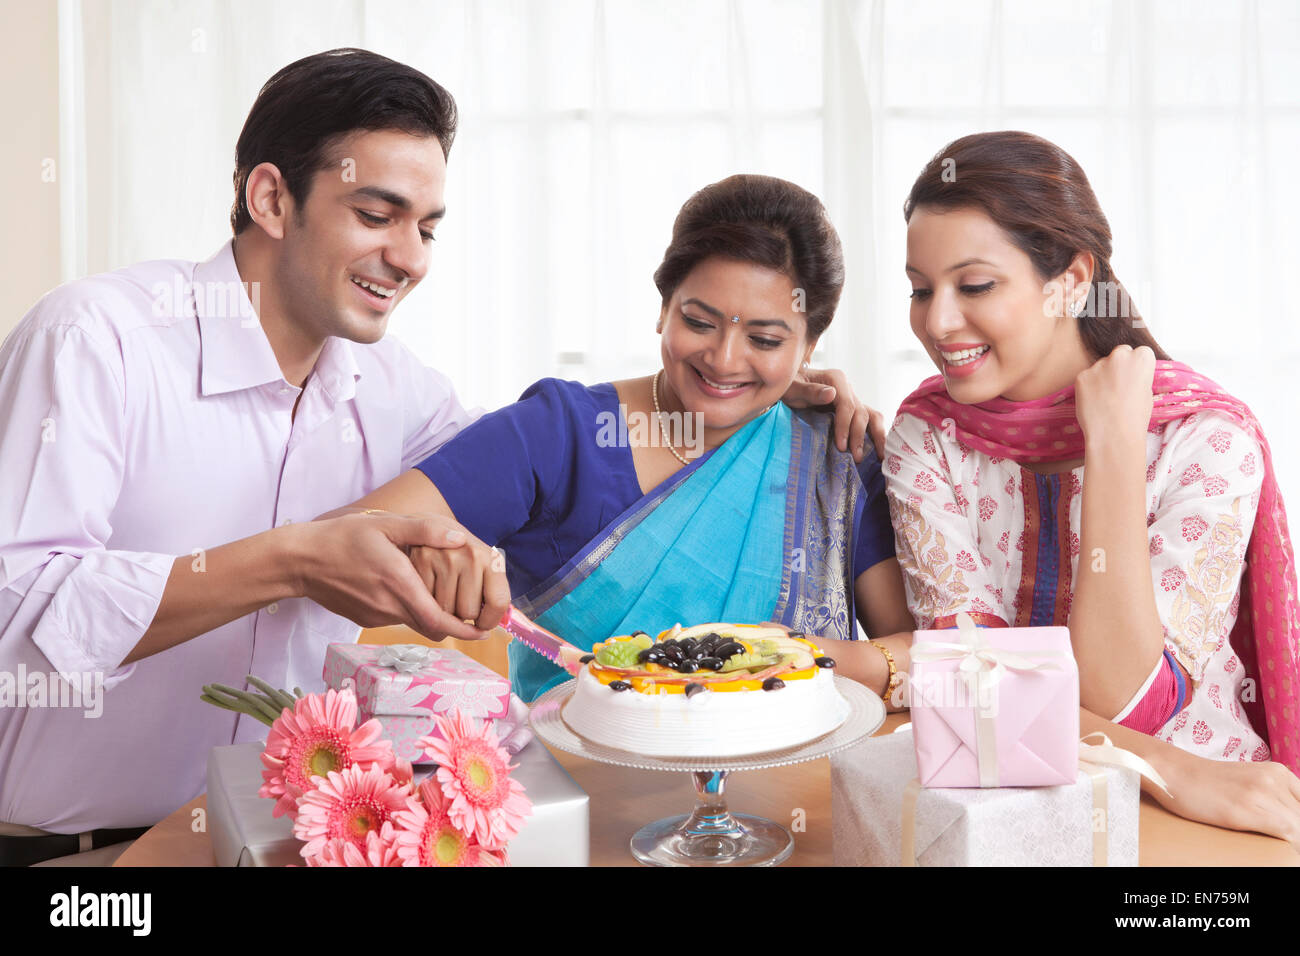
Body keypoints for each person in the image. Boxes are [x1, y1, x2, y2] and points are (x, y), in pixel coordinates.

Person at [0, 50, 875, 861]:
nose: (409, 257)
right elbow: (17, 616)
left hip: (285, 836)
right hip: (87, 853)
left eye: (427, 226)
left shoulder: (397, 391)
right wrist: (292, 559)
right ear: (270, 199)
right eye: (377, 215)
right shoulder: (97, 342)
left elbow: (557, 450)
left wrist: (756, 386)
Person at [343, 174, 915, 702]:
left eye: (766, 340)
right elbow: (344, 538)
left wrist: (798, 660)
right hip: (584, 798)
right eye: (698, 322)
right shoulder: (561, 433)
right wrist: (440, 552)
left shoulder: (834, 457)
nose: (724, 359)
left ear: (810, 346)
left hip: (793, 797)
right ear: (664, 307)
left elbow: (919, 655)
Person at [884, 130, 1300, 848]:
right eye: (921, 290)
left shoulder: (1204, 439)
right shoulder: (930, 435)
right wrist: (1173, 770)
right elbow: (970, 689)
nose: (937, 321)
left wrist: (1111, 445)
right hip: (1009, 808)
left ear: (1073, 280)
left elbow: (1130, 700)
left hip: (1204, 822)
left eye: (974, 285)